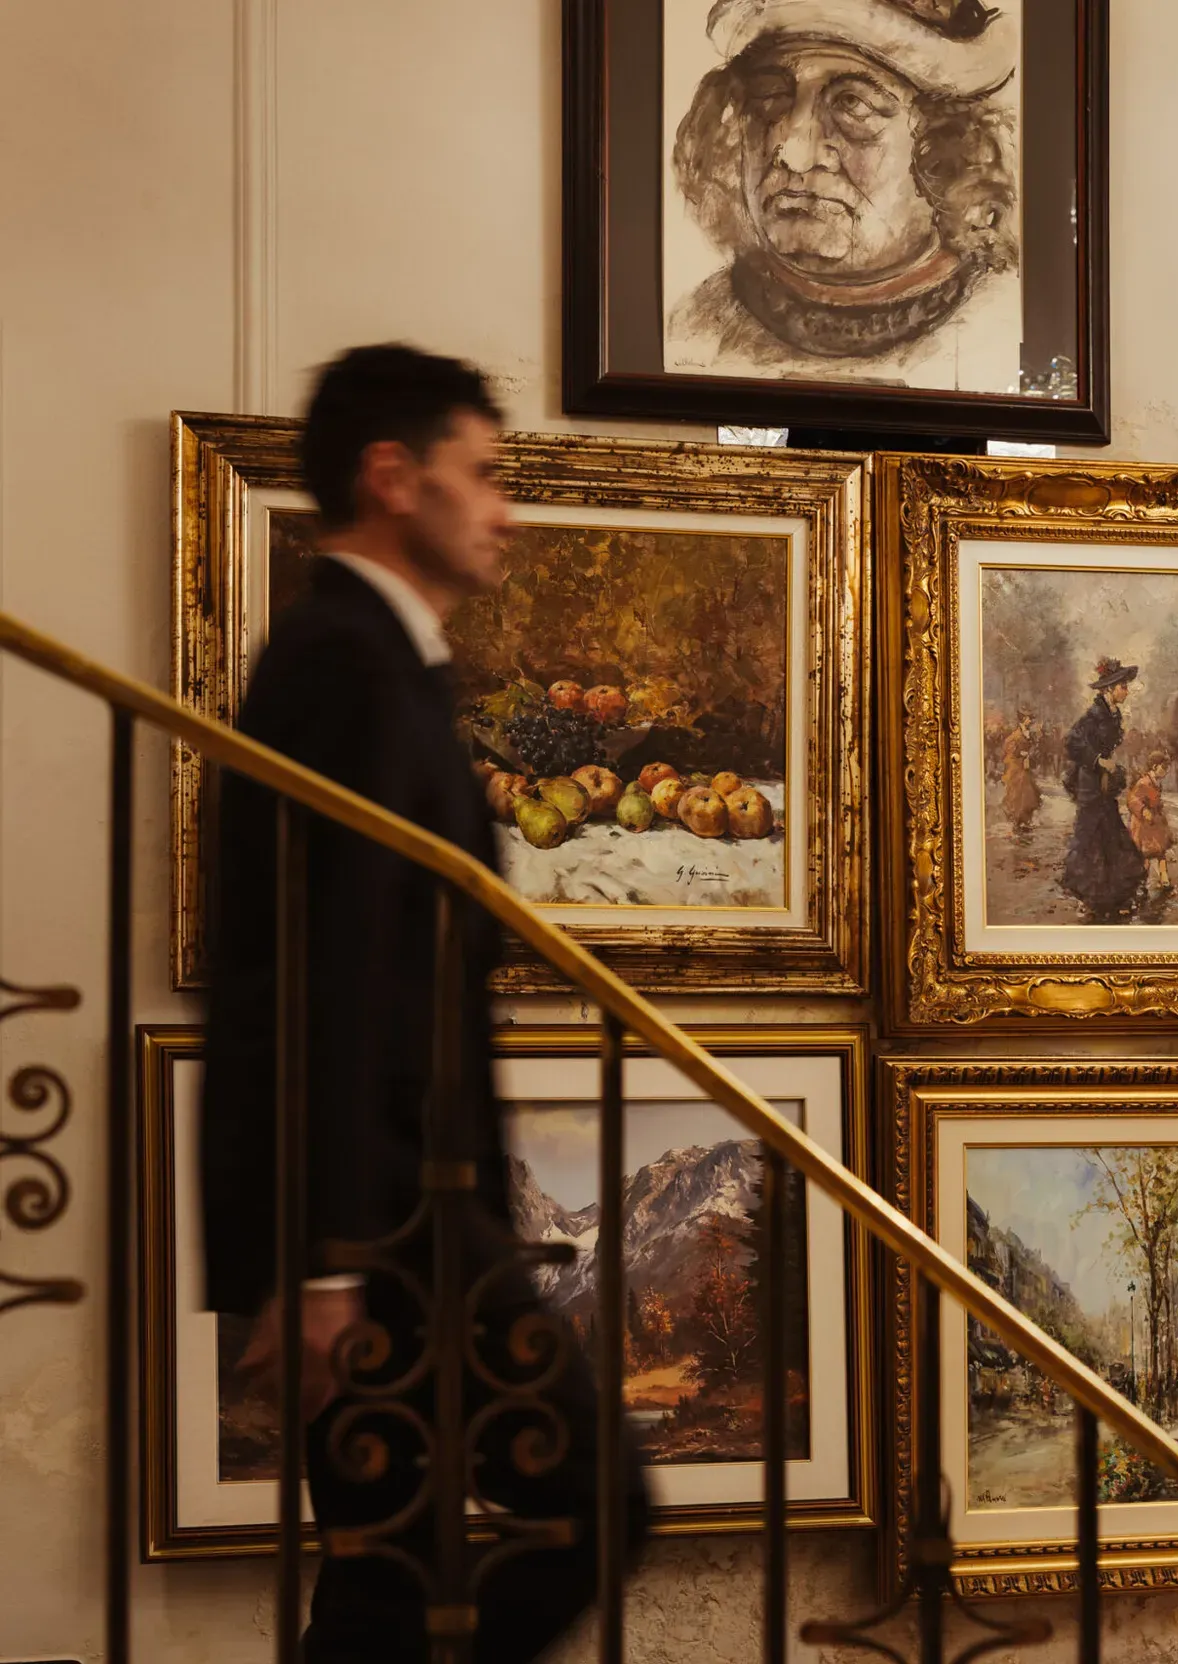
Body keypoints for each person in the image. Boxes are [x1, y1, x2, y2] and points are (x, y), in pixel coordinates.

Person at [199, 343, 647, 1663]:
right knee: (592, 1509)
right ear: (393, 477)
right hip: (387, 1220)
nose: (505, 509)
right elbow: (320, 973)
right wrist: (324, 1262)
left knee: (386, 1584)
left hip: (400, 1213)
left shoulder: (376, 659)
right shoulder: (342, 661)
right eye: (485, 475)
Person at [668, 0, 1019, 384]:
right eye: (770, 96)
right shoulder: (692, 329)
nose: (793, 154)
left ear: (948, 153)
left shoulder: (997, 336)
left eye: (853, 104)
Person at [1060, 657, 1147, 922]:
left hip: (1104, 784)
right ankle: (1089, 899)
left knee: (1111, 836)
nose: (1126, 691)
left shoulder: (1113, 713)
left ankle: (1113, 897)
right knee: (1090, 839)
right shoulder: (1093, 715)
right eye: (1123, 686)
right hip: (1091, 784)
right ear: (1109, 689)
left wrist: (1109, 767)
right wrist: (1098, 761)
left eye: (1126, 686)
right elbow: (1072, 743)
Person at [1127, 749, 1177, 892]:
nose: (1166, 771)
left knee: (1160, 852)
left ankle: (1164, 880)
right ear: (1154, 766)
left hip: (1154, 823)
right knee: (1146, 855)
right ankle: (1141, 884)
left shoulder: (1154, 782)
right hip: (1144, 825)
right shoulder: (1144, 782)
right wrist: (1143, 810)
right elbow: (1132, 800)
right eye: (1164, 767)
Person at [1001, 710, 1041, 836]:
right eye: (1028, 718)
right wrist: (1019, 752)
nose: (1030, 721)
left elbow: (1031, 746)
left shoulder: (1027, 732)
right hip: (1016, 767)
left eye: (1030, 718)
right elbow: (1008, 746)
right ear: (1023, 719)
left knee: (1029, 794)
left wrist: (1030, 749)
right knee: (1018, 794)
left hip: (1024, 766)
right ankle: (1017, 822)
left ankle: (1025, 820)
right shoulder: (1016, 733)